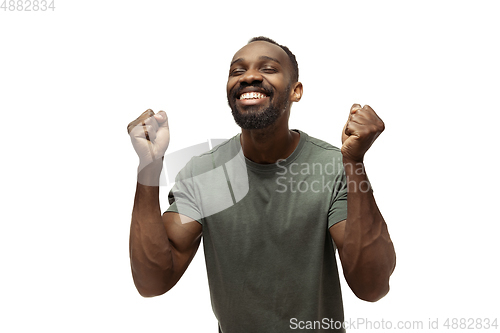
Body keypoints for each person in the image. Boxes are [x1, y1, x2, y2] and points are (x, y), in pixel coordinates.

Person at [127, 36, 396, 332]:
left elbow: (371, 287)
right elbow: (152, 282)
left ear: (296, 91)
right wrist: (149, 168)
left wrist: (355, 163)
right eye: (237, 71)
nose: (250, 76)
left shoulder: (331, 166)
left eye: (268, 69)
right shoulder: (207, 172)